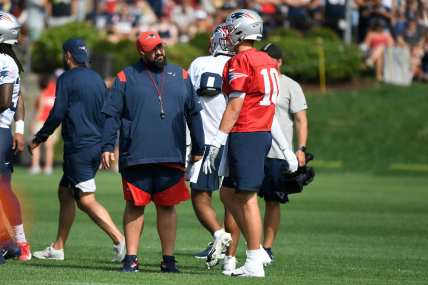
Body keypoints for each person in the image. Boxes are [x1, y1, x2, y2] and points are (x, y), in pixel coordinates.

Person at [202, 9, 297, 277]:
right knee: (228, 194)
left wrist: (218, 140)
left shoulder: (240, 61)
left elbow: (235, 104)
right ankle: (255, 248)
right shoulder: (266, 60)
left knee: (247, 197)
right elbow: (264, 107)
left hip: (246, 132)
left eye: (231, 29)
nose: (227, 34)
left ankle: (256, 258)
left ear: (241, 31)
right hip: (259, 131)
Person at [101, 31, 205, 273]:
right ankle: (131, 259)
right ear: (141, 52)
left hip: (172, 154)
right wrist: (107, 146)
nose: (159, 52)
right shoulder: (125, 77)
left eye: (160, 47)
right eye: (152, 49)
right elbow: (111, 115)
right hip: (136, 154)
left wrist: (199, 147)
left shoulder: (182, 75)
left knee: (167, 207)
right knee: (135, 206)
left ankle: (168, 260)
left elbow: (193, 113)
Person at [29, 38, 125, 262]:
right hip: (94, 145)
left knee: (85, 199)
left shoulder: (66, 79)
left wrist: (39, 138)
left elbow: (57, 112)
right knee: (65, 192)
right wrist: (107, 145)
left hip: (79, 147)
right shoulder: (98, 79)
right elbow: (107, 113)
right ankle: (58, 247)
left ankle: (122, 242)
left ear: (68, 56)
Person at [187, 24, 233, 266]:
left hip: (206, 140)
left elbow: (188, 101)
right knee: (233, 197)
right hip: (235, 139)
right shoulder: (242, 64)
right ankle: (230, 255)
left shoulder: (200, 64)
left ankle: (219, 234)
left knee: (200, 195)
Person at [259, 42, 308, 260]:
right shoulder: (256, 81)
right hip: (253, 149)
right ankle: (228, 247)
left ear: (279, 62)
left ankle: (266, 249)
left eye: (271, 59)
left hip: (278, 154)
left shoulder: (290, 86)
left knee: (273, 200)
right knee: (237, 198)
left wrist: (300, 149)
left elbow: (300, 119)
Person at [0, 11, 32, 261]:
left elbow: (4, 99)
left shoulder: (5, 61)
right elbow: (18, 98)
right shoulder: (9, 60)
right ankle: (15, 244)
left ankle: (11, 244)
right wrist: (19, 129)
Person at [29, 70, 62, 175]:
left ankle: (35, 166)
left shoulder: (44, 92)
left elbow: (40, 109)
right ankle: (48, 167)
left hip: (41, 121)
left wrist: (33, 123)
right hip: (53, 122)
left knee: (35, 144)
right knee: (49, 146)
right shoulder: (57, 92)